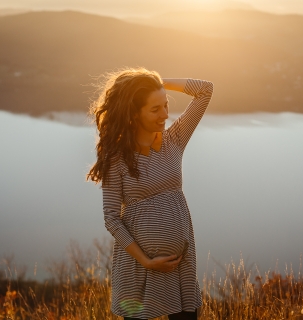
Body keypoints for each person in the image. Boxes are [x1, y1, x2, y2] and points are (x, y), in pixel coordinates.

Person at [87, 67, 214, 320]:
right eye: (155, 109)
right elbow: (111, 217)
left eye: (166, 105)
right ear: (134, 113)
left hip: (180, 266)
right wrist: (146, 261)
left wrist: (155, 83)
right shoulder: (116, 157)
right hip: (138, 267)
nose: (165, 115)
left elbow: (205, 90)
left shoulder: (174, 139)